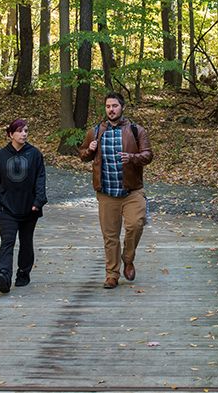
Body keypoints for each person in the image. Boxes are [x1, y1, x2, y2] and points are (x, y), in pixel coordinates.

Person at [78, 91, 153, 288]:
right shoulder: (96, 131)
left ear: (123, 107)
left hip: (132, 190)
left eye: (115, 106)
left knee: (136, 224)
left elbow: (148, 155)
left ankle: (128, 258)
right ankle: (112, 274)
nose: (111, 110)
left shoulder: (136, 130)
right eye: (108, 106)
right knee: (110, 236)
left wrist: (133, 158)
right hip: (106, 192)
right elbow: (83, 155)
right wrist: (90, 149)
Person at [0, 118, 47, 294]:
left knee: (26, 242)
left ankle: (23, 274)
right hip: (6, 207)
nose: (24, 134)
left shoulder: (34, 154)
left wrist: (39, 200)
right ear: (11, 134)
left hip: (29, 207)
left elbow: (40, 178)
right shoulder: (1, 156)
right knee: (7, 241)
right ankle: (2, 275)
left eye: (26, 130)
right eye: (20, 131)